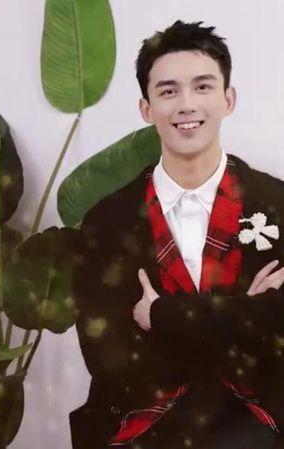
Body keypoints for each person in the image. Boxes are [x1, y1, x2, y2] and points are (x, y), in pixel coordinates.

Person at [70, 21, 284, 449]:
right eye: (168, 91)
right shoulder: (105, 222)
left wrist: (164, 317)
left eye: (203, 87)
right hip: (144, 427)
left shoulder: (277, 203)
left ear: (228, 99)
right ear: (146, 108)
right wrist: (246, 315)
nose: (187, 104)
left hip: (262, 424)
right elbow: (109, 358)